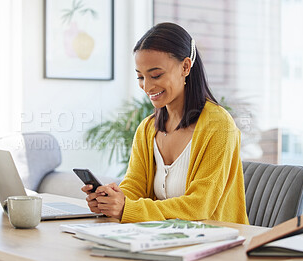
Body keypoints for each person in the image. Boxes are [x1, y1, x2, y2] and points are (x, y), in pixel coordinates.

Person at [82, 22, 249, 224]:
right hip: (163, 239)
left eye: (156, 75)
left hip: (216, 242)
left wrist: (128, 208)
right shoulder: (147, 128)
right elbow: (135, 185)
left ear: (185, 67)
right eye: (140, 77)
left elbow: (200, 205)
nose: (147, 86)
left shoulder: (219, 125)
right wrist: (113, 200)